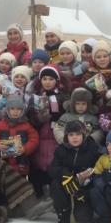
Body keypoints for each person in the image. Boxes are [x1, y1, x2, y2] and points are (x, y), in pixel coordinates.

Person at [27, 64, 72, 199]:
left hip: (55, 136)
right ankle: (39, 194)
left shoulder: (63, 96)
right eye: (44, 79)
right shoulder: (36, 96)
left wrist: (59, 115)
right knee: (38, 164)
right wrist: (37, 118)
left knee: (53, 163)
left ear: (57, 81)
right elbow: (29, 114)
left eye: (51, 79)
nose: (47, 82)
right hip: (40, 135)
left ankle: (54, 194)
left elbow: (68, 112)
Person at [48, 120, 101, 223]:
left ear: (84, 134)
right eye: (71, 135)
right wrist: (64, 173)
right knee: (55, 182)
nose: (74, 138)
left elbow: (98, 171)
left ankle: (80, 207)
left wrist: (84, 188)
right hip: (65, 186)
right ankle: (63, 215)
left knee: (84, 218)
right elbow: (52, 169)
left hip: (83, 189)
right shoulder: (61, 149)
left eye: (78, 134)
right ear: (66, 136)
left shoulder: (93, 149)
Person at [0, 94, 39, 177]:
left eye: (18, 109)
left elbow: (34, 140)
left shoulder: (27, 125)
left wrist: (25, 148)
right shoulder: (0, 124)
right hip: (3, 165)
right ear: (8, 109)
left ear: (22, 110)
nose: (15, 111)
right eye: (12, 109)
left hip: (21, 165)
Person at [80, 41, 111, 110]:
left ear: (109, 57)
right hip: (94, 109)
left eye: (105, 56)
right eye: (98, 57)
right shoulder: (88, 74)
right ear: (94, 59)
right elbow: (83, 95)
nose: (102, 59)